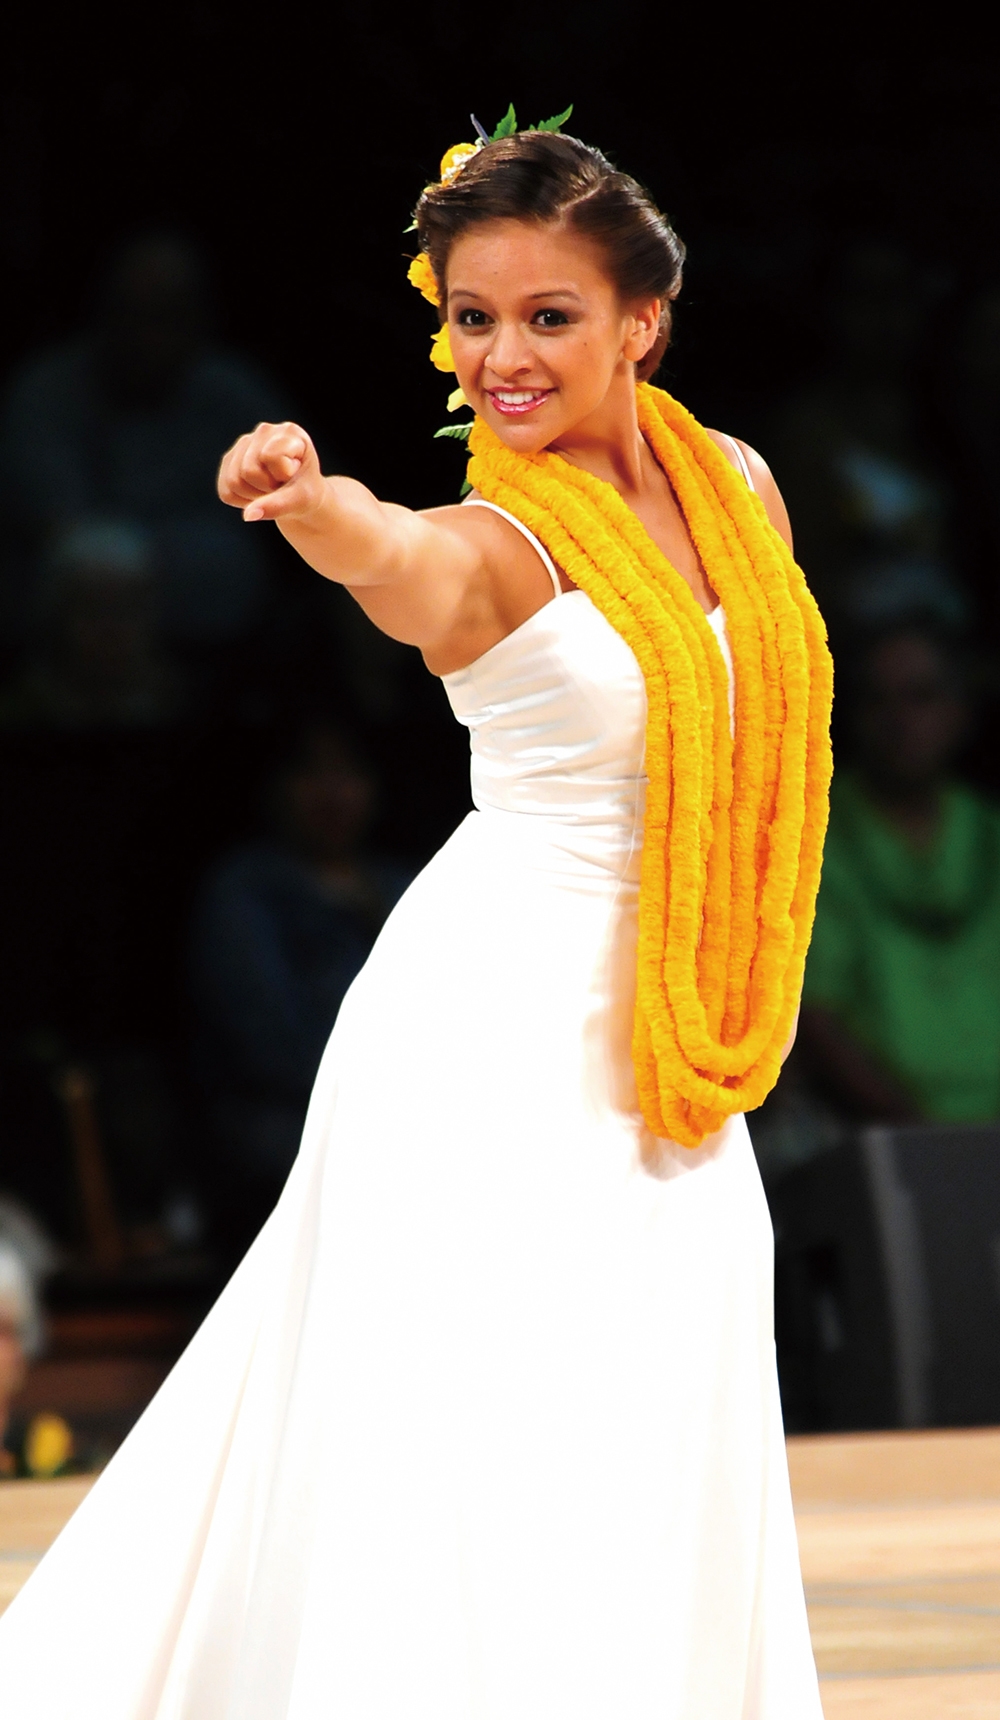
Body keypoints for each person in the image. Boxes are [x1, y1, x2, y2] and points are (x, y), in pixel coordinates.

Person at [0, 121, 831, 1717]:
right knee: (486, 1423)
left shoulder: (738, 489)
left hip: (682, 1037)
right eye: (471, 318)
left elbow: (768, 724)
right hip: (498, 1039)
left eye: (547, 316)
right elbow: (391, 552)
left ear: (644, 321)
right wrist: (311, 502)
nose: (501, 357)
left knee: (665, 1378)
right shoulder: (494, 545)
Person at [191, 721, 411, 1251]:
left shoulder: (404, 884)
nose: (333, 791)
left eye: (349, 771)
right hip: (292, 1121)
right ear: (274, 785)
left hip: (408, 1107)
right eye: (311, 771)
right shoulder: (245, 891)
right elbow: (268, 1041)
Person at [800, 618, 1000, 1124]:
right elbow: (813, 1013)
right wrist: (919, 1135)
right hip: (880, 1132)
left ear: (961, 711)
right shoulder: (814, 836)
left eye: (921, 696)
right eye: (878, 700)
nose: (900, 720)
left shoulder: (988, 831)